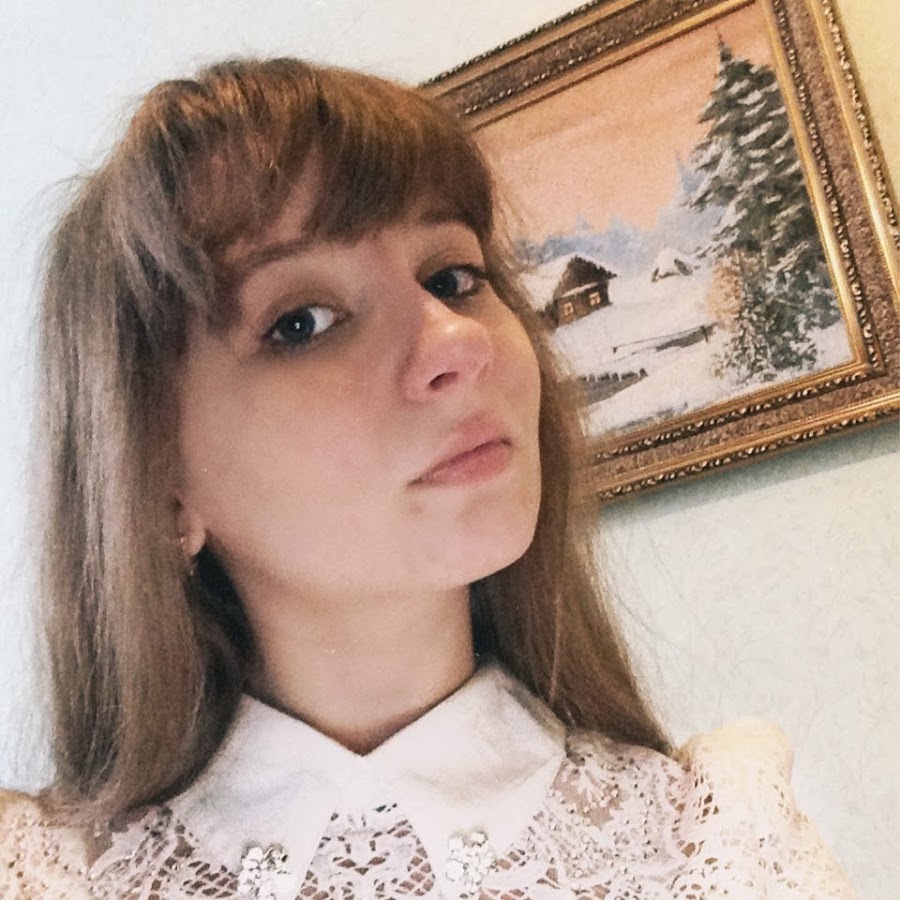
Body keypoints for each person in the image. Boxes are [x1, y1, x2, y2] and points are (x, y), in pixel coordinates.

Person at [0, 58, 856, 899]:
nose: (458, 340)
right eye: (302, 321)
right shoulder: (42, 877)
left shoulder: (720, 845)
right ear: (157, 484)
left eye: (454, 278)